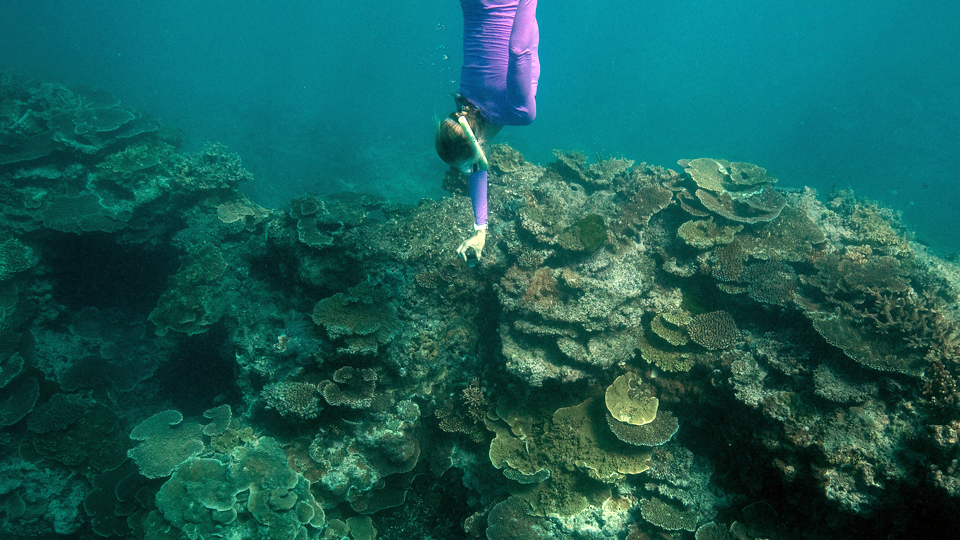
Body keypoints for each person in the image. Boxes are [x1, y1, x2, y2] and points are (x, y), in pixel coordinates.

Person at [435, 0, 539, 262]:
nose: (474, 170)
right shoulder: (465, 104)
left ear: (479, 143)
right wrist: (480, 228)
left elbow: (519, 50)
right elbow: (478, 168)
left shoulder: (519, 113)